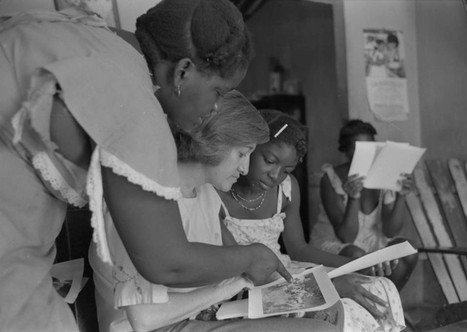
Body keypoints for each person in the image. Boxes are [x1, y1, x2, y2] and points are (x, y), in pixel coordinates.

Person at [0, 1, 289, 330]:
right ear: (182, 72)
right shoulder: (137, 113)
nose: (215, 107)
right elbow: (167, 264)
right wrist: (252, 257)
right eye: (218, 91)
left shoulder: (87, 38)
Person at [90, 90, 337, 332]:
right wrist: (237, 281)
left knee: (324, 324)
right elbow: (145, 319)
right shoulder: (142, 199)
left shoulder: (207, 194)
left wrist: (302, 296)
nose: (244, 167)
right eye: (242, 153)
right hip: (159, 327)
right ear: (216, 142)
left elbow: (232, 267)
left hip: (202, 318)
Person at [218, 110, 406, 331]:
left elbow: (299, 249)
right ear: (248, 149)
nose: (275, 175)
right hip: (250, 282)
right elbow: (244, 271)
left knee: (377, 286)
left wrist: (360, 267)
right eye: (269, 161)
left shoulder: (287, 189)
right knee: (340, 307)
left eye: (287, 170)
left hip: (285, 270)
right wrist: (327, 285)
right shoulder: (217, 193)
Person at [309, 119, 418, 291]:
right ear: (345, 150)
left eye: (370, 148)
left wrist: (401, 197)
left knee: (408, 250)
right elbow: (346, 237)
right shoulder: (331, 178)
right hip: (337, 243)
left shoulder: (383, 176)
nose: (366, 154)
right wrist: (354, 197)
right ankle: (367, 307)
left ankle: (383, 303)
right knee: (357, 255)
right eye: (358, 148)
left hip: (373, 241)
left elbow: (391, 231)